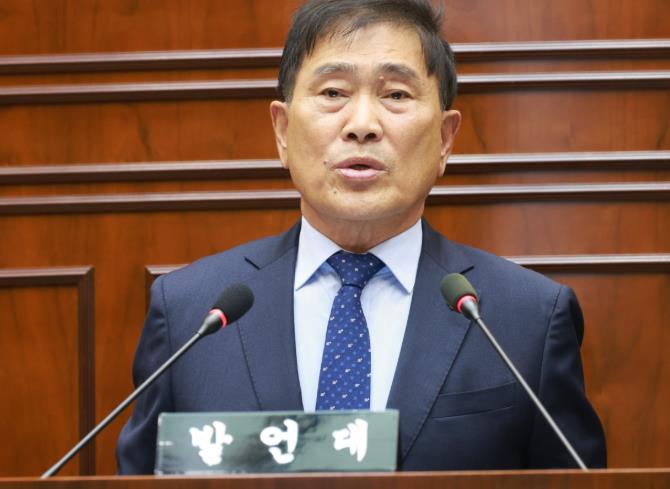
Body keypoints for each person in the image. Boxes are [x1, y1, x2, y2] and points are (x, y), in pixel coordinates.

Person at [116, 0, 606, 474]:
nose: (362, 125)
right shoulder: (190, 314)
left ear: (445, 139)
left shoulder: (527, 319)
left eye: (396, 95)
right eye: (333, 92)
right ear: (282, 131)